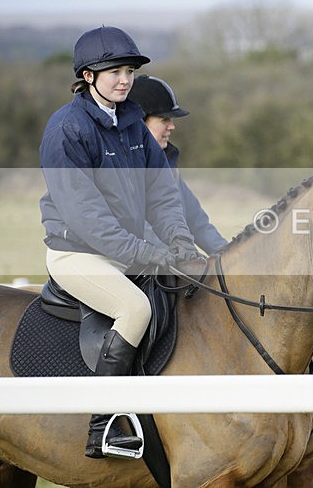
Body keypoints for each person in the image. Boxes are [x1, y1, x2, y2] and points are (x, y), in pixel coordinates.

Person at [39, 26, 202, 459]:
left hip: (125, 252)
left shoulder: (131, 122)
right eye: (115, 72)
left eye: (129, 71)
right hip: (77, 253)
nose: (125, 80)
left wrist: (181, 243)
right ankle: (104, 425)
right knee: (136, 309)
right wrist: (151, 254)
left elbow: (162, 193)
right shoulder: (67, 129)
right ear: (88, 76)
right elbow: (88, 219)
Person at [129, 74, 228, 254]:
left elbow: (197, 222)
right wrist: (188, 259)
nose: (172, 126)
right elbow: (142, 229)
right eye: (164, 120)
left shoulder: (167, 165)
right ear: (139, 123)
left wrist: (228, 255)